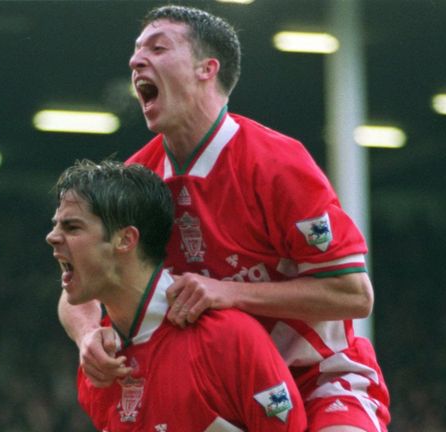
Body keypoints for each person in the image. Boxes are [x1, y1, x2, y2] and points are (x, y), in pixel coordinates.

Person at [59, 5, 391, 431]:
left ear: (206, 68)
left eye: (158, 48)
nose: (136, 60)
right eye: (136, 52)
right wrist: (87, 334)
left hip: (317, 379)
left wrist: (226, 291)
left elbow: (353, 294)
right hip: (210, 384)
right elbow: (80, 278)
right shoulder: (137, 179)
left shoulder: (277, 163)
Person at [46, 159, 306, 431]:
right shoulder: (101, 366)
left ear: (125, 240)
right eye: (56, 225)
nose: (51, 237)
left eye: (72, 227)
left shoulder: (225, 339)